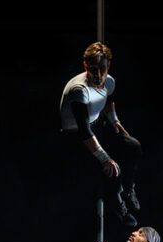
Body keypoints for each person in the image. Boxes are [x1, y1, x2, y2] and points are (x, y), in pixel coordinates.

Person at [60, 41, 143, 227]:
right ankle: (118, 206)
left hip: (96, 125)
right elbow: (83, 130)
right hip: (76, 136)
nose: (98, 75)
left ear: (108, 66)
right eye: (93, 69)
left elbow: (107, 101)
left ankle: (128, 189)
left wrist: (115, 121)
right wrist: (105, 158)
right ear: (85, 66)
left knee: (133, 146)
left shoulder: (109, 81)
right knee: (112, 168)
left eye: (102, 69)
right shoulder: (78, 90)